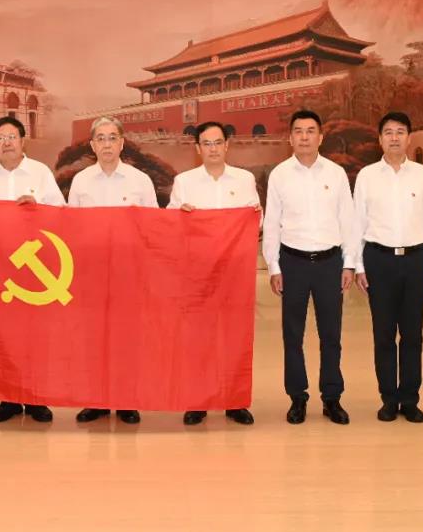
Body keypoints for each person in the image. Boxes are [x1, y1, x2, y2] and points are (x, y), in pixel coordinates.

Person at [0, 116, 64, 424]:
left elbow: (61, 213)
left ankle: (35, 399)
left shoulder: (40, 173)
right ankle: (7, 398)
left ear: (23, 141)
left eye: (12, 137)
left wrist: (37, 206)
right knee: (2, 333)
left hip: (35, 266)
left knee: (35, 334)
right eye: (0, 138)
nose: (7, 143)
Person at [263, 110, 354, 426]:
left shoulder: (336, 174)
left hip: (330, 263)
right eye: (298, 131)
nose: (304, 136)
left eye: (310, 131)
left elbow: (348, 220)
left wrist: (349, 263)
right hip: (293, 263)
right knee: (293, 335)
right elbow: (271, 223)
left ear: (320, 137)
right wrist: (274, 266)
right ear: (290, 138)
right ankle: (297, 397)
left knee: (331, 335)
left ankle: (332, 397)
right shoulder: (279, 175)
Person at [353, 111, 423, 423]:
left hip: (415, 260)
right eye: (388, 132)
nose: (394, 137)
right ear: (379, 139)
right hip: (378, 260)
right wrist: (358, 266)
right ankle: (389, 399)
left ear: (409, 138)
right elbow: (357, 223)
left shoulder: (422, 175)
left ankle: (410, 399)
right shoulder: (367, 176)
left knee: (412, 335)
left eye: (400, 131)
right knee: (383, 335)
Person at [168, 120, 259, 426]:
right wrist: (181, 217)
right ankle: (199, 400)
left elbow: (255, 222)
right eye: (206, 144)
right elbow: (170, 221)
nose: (213, 149)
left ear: (227, 145)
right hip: (197, 274)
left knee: (235, 338)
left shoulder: (244, 180)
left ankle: (234, 401)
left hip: (234, 273)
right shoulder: (184, 182)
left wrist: (250, 219)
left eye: (218, 142)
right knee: (199, 339)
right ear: (198, 148)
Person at [68, 116, 157, 425]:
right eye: (100, 138)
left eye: (112, 138)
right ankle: (97, 400)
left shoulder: (140, 181)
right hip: (91, 271)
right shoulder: (80, 182)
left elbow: (153, 227)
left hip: (129, 271)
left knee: (126, 336)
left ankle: (126, 400)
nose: (106, 144)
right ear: (92, 145)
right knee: (94, 336)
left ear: (122, 143)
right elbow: (71, 228)